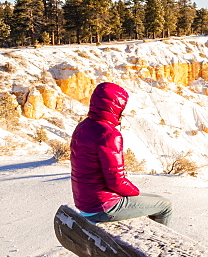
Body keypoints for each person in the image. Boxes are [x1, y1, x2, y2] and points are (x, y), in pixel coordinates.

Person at [70, 81, 173, 226]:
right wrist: (135, 192)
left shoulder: (83, 126)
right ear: (116, 108)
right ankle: (158, 246)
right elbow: (115, 181)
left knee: (152, 200)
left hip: (85, 203)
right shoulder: (109, 134)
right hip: (102, 207)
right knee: (165, 206)